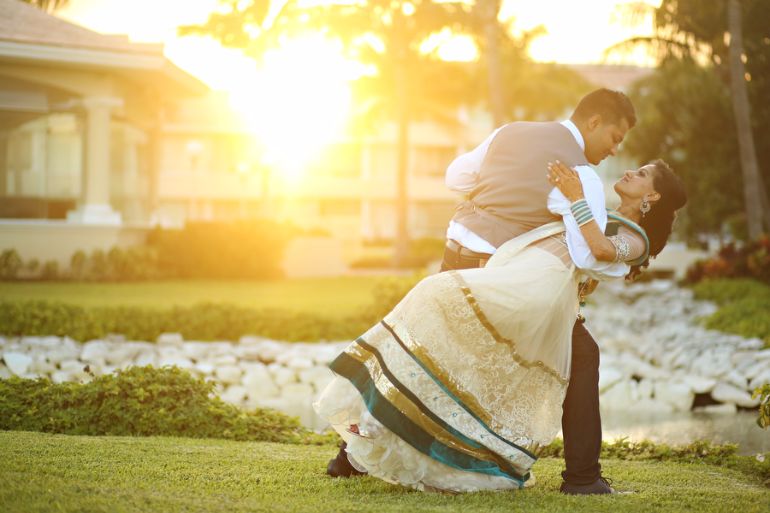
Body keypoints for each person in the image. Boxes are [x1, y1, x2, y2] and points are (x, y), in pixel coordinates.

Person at [314, 164, 687, 491]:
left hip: (529, 295)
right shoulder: (603, 215)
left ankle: (359, 451)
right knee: (444, 349)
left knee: (437, 300)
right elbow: (587, 263)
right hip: (524, 283)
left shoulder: (636, 237)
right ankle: (360, 448)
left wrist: (575, 198)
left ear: (652, 195)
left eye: (640, 174)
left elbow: (601, 251)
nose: (628, 172)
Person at [438, 88, 637, 494]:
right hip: (496, 278)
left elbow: (455, 177)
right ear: (594, 122)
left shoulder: (509, 132)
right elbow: (588, 254)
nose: (615, 149)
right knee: (583, 356)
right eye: (615, 138)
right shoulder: (580, 174)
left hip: (452, 259)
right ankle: (582, 479)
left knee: (429, 353)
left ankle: (351, 456)